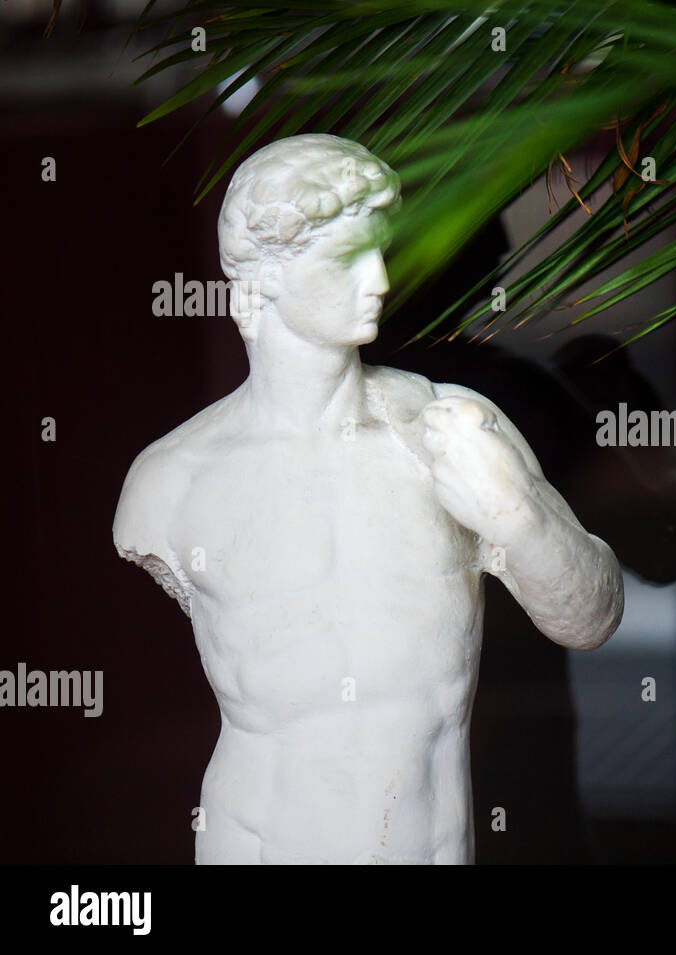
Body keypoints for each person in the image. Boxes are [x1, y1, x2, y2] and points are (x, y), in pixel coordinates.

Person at [112, 134, 624, 864]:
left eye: (380, 249)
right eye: (347, 258)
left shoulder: (449, 429)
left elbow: (593, 616)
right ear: (265, 278)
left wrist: (517, 516)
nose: (381, 277)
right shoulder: (171, 481)